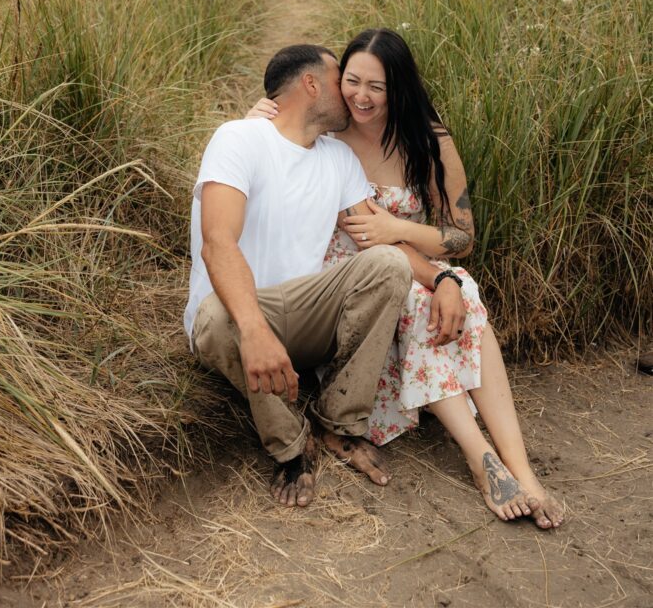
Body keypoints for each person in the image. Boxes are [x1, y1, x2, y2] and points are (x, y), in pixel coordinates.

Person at [247, 28, 565, 528]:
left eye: (378, 86)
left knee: (464, 293)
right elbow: (273, 145)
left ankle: (522, 469)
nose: (361, 96)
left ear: (400, 88)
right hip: (351, 279)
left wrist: (404, 232)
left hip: (411, 263)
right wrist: (255, 119)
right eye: (352, 81)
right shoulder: (329, 135)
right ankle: (482, 459)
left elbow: (463, 236)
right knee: (430, 296)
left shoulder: (427, 140)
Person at [185, 43, 415, 509]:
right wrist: (254, 330)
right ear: (311, 84)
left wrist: (448, 278)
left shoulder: (339, 159)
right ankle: (294, 447)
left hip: (305, 314)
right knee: (214, 314)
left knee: (390, 265)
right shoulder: (239, 139)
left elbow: (377, 240)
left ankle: (339, 423)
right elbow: (218, 242)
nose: (351, 92)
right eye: (340, 79)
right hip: (236, 319)